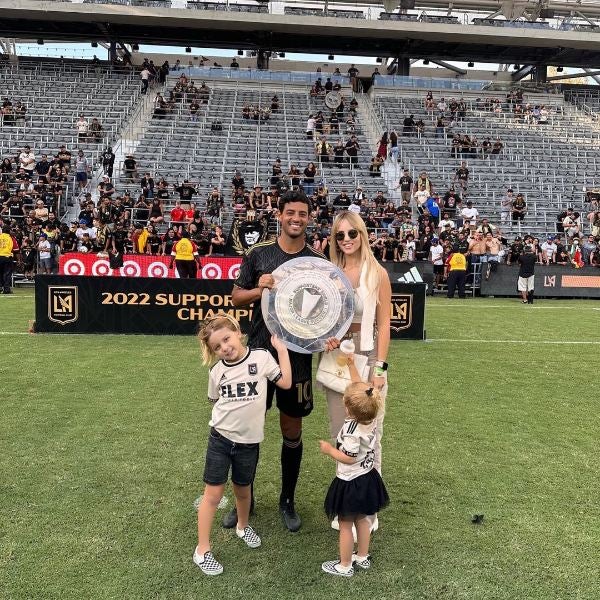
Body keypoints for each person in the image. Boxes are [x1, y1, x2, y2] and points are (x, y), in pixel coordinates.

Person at [227, 190, 324, 532]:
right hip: (256, 353)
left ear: (309, 218)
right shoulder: (258, 255)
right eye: (290, 213)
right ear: (279, 215)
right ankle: (245, 499)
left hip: (297, 359)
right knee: (246, 428)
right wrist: (260, 288)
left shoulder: (316, 261)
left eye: (302, 213)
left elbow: (326, 312)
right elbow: (237, 297)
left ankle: (287, 500)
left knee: (291, 429)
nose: (296, 218)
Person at [193, 314, 292, 576]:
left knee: (243, 491)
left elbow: (285, 382)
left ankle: (243, 527)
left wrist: (281, 350)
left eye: (226, 339)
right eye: (217, 347)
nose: (224, 347)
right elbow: (215, 401)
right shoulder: (217, 371)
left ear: (237, 331)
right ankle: (202, 550)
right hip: (221, 440)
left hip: (249, 443)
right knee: (212, 495)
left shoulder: (261, 358)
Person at [323, 210, 391, 532]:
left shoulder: (377, 272)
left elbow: (385, 323)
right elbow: (321, 318)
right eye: (340, 235)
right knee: (342, 432)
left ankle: (368, 508)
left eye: (352, 233)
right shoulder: (330, 273)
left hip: (367, 355)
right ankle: (347, 504)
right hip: (337, 359)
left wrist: (380, 366)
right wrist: (327, 337)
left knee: (369, 435)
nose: (347, 240)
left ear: (362, 235)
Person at [319, 357, 389, 577]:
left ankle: (345, 565)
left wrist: (330, 450)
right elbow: (361, 389)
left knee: (345, 523)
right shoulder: (373, 416)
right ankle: (363, 556)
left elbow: (348, 457)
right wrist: (351, 365)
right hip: (368, 479)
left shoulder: (351, 431)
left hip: (350, 482)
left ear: (349, 410)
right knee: (363, 519)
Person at [0, 224, 15, 294]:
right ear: (8, 230)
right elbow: (11, 248)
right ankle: (6, 289)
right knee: (7, 273)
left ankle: (0, 287)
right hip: (7, 257)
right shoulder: (10, 238)